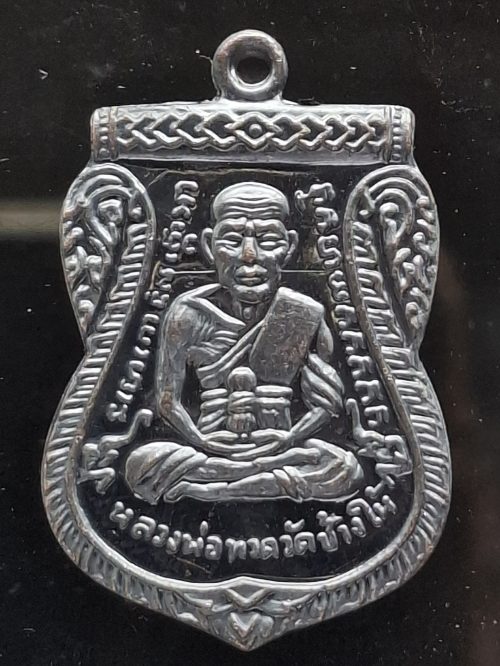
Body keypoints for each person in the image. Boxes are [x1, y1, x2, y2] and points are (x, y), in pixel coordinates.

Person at [125, 182, 364, 504]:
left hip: (278, 443)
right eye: (233, 241)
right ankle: (254, 478)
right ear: (209, 245)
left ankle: (214, 489)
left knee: (344, 468)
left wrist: (287, 439)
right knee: (142, 464)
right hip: (211, 444)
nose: (249, 256)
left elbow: (325, 405)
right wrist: (204, 442)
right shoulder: (188, 313)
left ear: (290, 247)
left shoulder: (302, 313)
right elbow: (168, 402)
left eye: (268, 241)